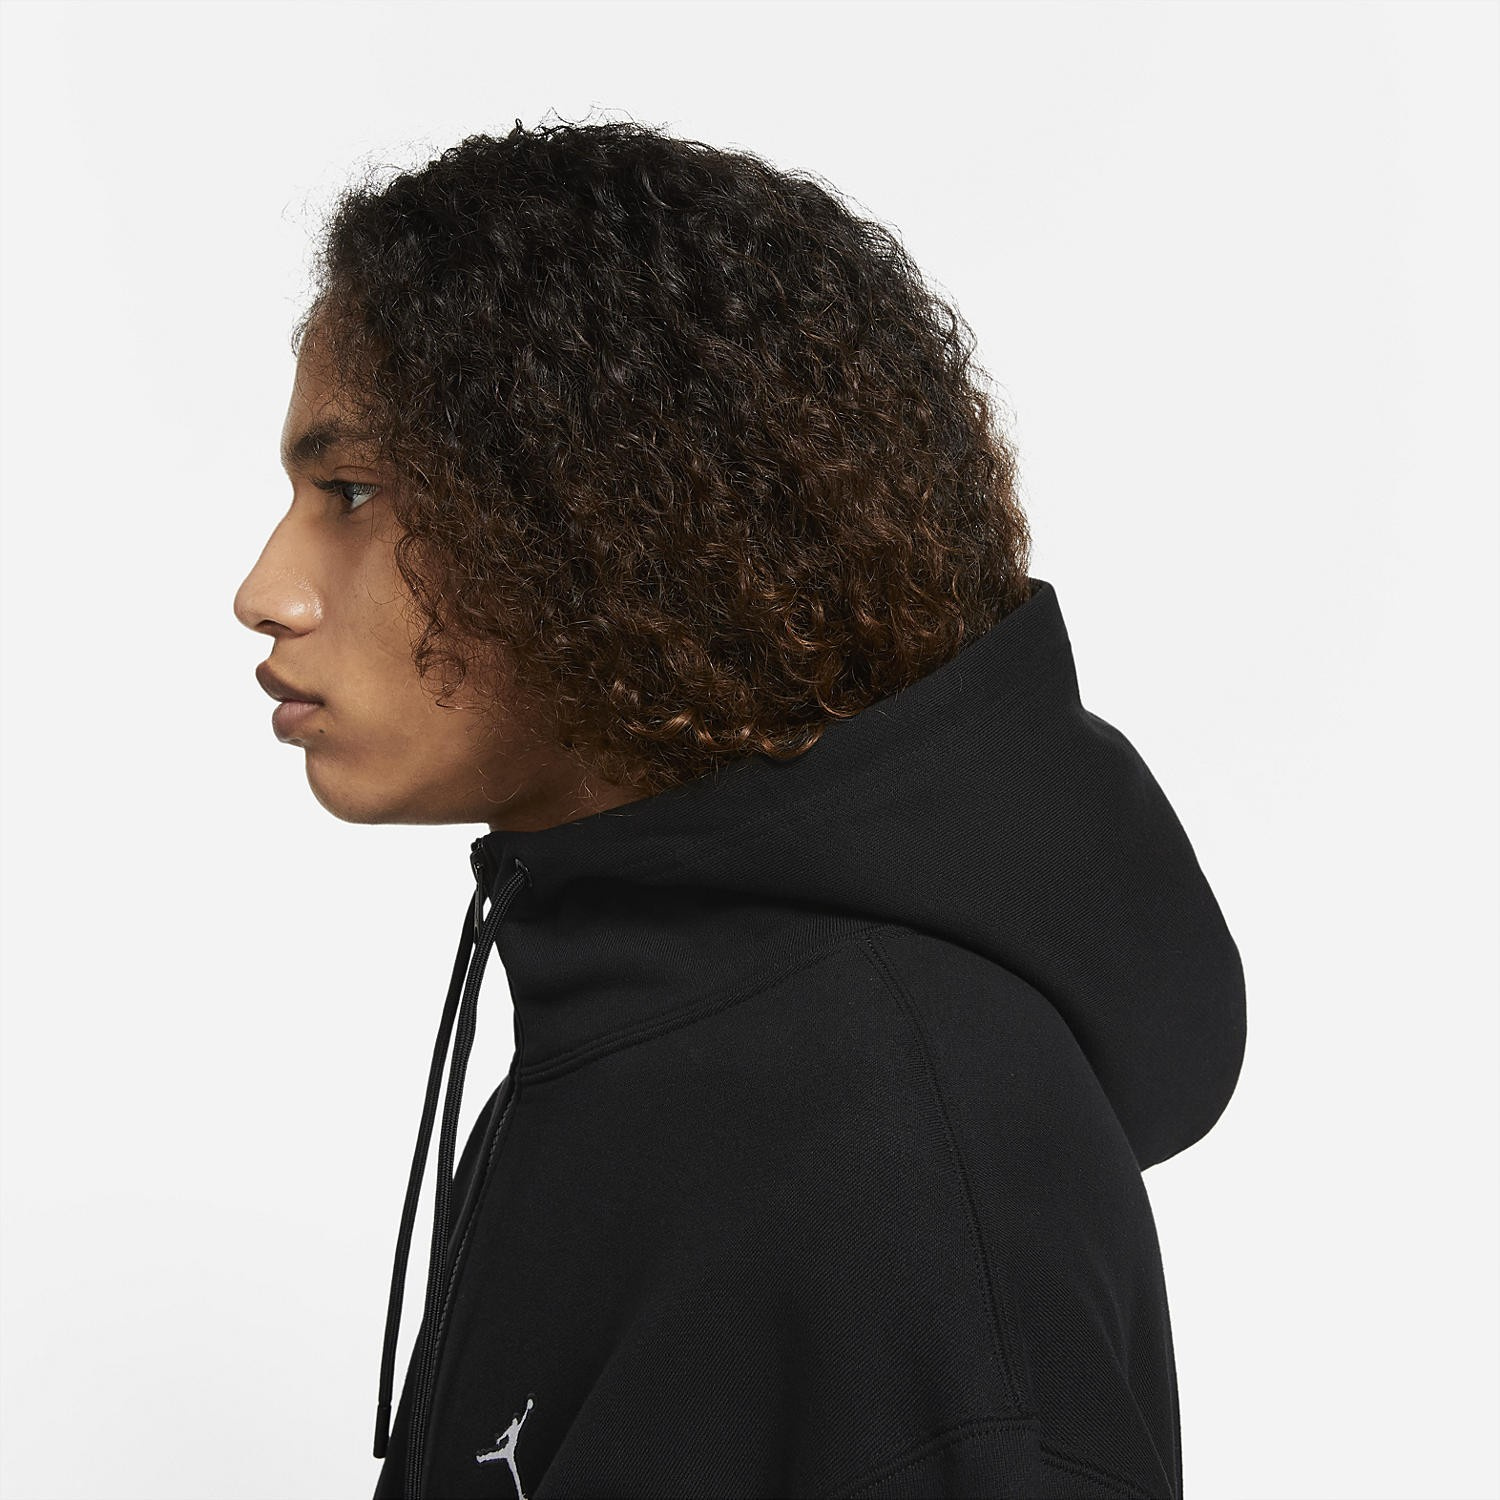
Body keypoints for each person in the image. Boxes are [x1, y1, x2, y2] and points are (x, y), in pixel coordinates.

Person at [234, 118, 1245, 1500]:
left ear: (600, 515)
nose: (266, 590)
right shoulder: (630, 1034)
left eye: (351, 493)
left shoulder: (900, 1158)